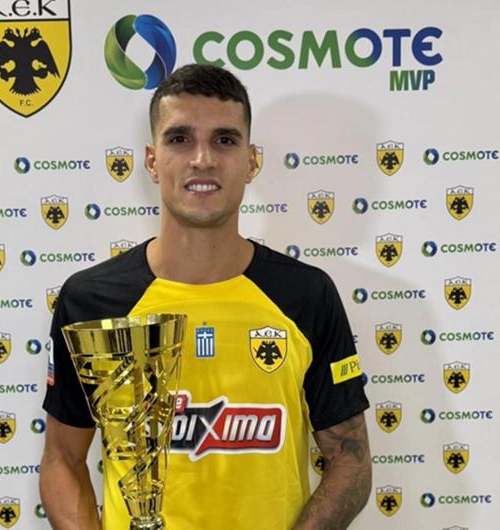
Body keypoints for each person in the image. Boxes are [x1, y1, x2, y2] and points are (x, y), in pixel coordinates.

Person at [40, 64, 371, 530]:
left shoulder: (306, 294)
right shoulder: (91, 301)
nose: (203, 159)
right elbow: (62, 459)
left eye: (224, 140)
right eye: (179, 139)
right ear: (152, 161)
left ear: (251, 161)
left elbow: (350, 457)